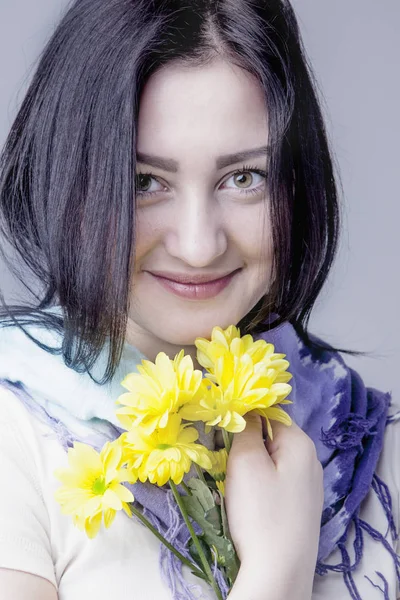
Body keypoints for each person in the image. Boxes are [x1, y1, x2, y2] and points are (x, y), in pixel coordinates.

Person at [0, 1, 397, 599]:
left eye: (244, 178)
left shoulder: (366, 441)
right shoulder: (16, 443)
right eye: (142, 182)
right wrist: (277, 574)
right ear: (70, 182)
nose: (197, 246)